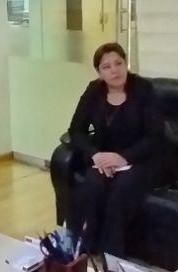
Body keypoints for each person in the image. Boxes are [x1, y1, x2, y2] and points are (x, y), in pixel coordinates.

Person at [65, 43, 165, 258]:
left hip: (140, 158)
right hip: (105, 156)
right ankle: (84, 251)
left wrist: (123, 158)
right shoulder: (94, 90)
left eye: (118, 63)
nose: (114, 70)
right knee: (92, 185)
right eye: (106, 67)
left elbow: (155, 136)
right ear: (99, 72)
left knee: (121, 190)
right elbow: (76, 130)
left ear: (126, 63)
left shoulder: (143, 89)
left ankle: (113, 258)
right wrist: (96, 155)